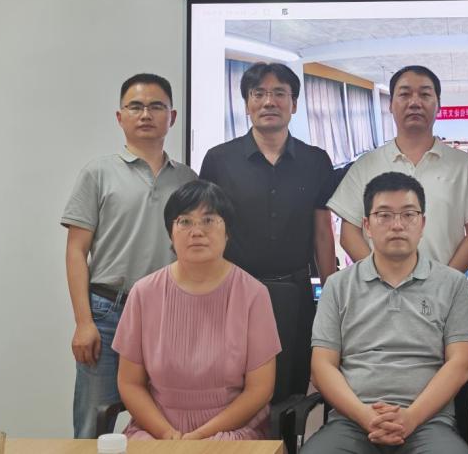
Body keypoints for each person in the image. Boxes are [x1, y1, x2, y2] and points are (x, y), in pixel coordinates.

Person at [62, 73, 197, 438]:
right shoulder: (98, 173)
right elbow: (76, 251)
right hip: (108, 312)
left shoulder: (188, 179)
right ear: (120, 116)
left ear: (172, 117)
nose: (146, 114)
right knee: (93, 422)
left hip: (169, 312)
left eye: (156, 106)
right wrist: (83, 322)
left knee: (168, 421)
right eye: (135, 106)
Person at [304, 172, 468, 454]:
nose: (397, 225)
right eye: (384, 215)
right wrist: (365, 417)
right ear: (367, 226)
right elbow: (321, 367)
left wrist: (410, 418)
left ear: (422, 224)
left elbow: (460, 364)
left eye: (408, 215)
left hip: (427, 423)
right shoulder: (338, 285)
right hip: (352, 421)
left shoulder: (452, 284)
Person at [199, 62, 334, 395]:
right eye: (258, 94)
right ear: (247, 104)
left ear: (294, 104)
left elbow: (322, 231)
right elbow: (206, 230)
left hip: (296, 292)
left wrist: (331, 295)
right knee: (232, 385)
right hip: (233, 292)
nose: (268, 102)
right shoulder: (219, 159)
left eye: (279, 94)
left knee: (291, 386)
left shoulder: (316, 160)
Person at [113, 180, 280, 440]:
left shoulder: (253, 294)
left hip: (231, 430)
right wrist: (167, 434)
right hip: (157, 430)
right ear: (171, 233)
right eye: (185, 222)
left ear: (227, 231)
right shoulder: (143, 293)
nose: (197, 231)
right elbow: (130, 383)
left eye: (209, 220)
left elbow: (260, 389)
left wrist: (200, 436)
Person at [328, 65, 468, 272]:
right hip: (378, 289)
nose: (415, 103)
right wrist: (380, 280)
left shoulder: (464, 166)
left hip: (446, 288)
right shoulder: (365, 165)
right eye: (405, 94)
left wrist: (445, 282)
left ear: (438, 105)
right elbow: (349, 234)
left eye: (425, 95)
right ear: (391, 105)